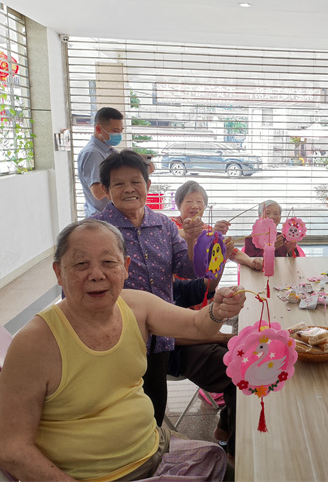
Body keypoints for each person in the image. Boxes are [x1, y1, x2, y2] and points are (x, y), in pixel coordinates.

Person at [0, 219, 246, 481]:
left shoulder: (136, 306)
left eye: (108, 262)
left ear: (125, 267)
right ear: (59, 272)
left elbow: (197, 325)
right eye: (81, 264)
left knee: (242, 474)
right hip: (100, 477)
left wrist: (217, 311)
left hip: (156, 448)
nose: (96, 274)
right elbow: (12, 451)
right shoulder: (33, 344)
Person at [93, 150, 238, 462]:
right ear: (106, 189)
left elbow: (187, 270)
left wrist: (191, 242)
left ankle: (154, 461)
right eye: (119, 184)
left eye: (136, 181)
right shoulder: (97, 230)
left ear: (148, 183)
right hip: (119, 340)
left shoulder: (163, 225)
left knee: (154, 406)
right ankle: (133, 462)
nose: (129, 188)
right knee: (123, 412)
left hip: (161, 340)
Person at [172, 181, 263, 282]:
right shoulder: (170, 224)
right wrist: (208, 236)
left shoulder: (208, 229)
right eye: (189, 201)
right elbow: (178, 234)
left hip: (206, 288)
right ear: (178, 205)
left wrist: (250, 261)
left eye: (199, 202)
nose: (195, 206)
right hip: (178, 290)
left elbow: (231, 251)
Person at [77, 107, 123, 217]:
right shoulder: (93, 153)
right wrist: (123, 182)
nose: (119, 135)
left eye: (121, 131)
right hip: (102, 219)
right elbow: (98, 193)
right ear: (98, 129)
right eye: (115, 131)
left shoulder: (109, 151)